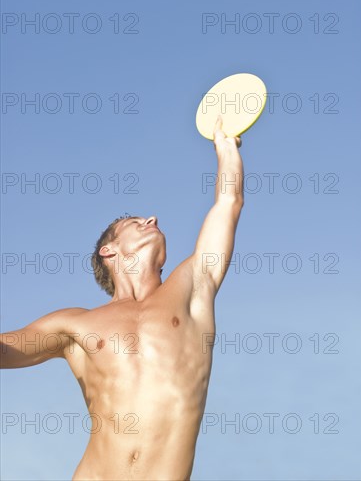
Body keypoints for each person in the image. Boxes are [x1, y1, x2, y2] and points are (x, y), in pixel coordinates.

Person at [1, 116, 244, 480]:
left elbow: (228, 204)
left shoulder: (191, 287)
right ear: (109, 251)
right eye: (135, 221)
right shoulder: (75, 324)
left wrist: (225, 148)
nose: (152, 218)